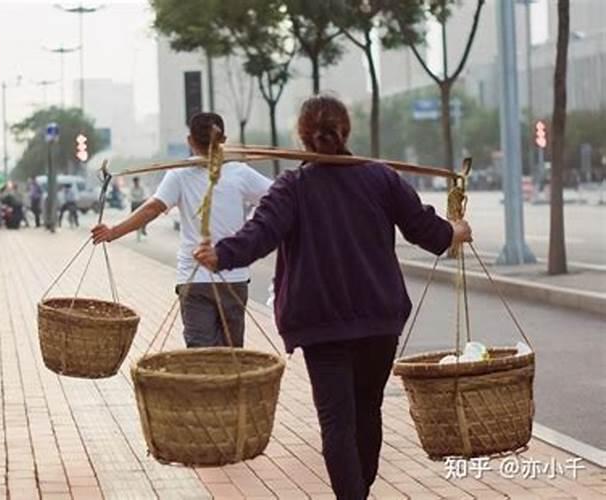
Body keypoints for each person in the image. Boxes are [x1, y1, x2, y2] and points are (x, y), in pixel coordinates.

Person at [192, 96, 473, 500]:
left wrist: (222, 255)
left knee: (337, 423)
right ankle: (359, 491)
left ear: (302, 136)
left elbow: (260, 234)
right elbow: (428, 232)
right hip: (379, 319)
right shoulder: (382, 178)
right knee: (366, 410)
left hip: (321, 324)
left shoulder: (292, 187)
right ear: (347, 131)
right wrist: (457, 230)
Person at [91, 112, 273, 348]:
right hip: (231, 276)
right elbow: (277, 198)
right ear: (223, 140)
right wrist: (252, 230)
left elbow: (152, 209)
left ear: (190, 141)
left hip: (197, 279)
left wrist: (113, 232)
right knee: (232, 353)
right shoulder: (239, 172)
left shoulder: (179, 175)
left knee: (199, 353)